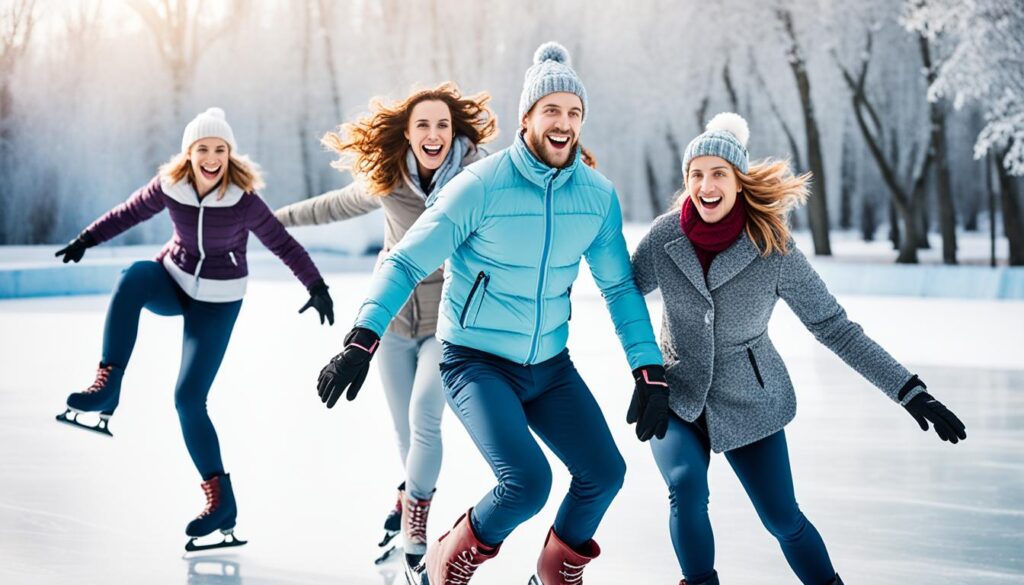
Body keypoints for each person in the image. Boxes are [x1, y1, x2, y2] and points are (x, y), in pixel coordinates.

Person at [314, 42, 669, 585]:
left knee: (604, 472)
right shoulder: (480, 186)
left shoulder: (596, 197)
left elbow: (619, 287)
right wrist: (361, 340)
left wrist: (647, 368)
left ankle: (553, 574)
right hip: (474, 360)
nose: (564, 123)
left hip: (550, 366)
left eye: (574, 113)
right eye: (551, 110)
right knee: (526, 482)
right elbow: (406, 261)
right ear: (527, 117)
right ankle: (441, 566)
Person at [630, 112, 967, 585]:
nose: (706, 185)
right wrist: (646, 370)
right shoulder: (665, 237)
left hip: (750, 402)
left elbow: (835, 327)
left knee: (782, 519)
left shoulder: (772, 246)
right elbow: (621, 291)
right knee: (685, 487)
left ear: (740, 181)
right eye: (696, 174)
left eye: (718, 173)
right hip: (676, 395)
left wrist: (907, 389)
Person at [54, 107, 334, 551]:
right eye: (203, 149)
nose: (211, 157)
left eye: (219, 149)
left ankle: (221, 501)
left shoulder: (243, 199)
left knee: (188, 399)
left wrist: (315, 284)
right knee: (133, 276)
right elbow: (128, 213)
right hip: (174, 281)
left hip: (219, 303)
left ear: (228, 154)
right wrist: (87, 239)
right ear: (189, 154)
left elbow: (281, 243)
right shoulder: (171, 186)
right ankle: (108, 385)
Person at [274, 81, 497, 567]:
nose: (433, 134)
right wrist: (275, 221)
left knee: (424, 419)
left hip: (449, 325)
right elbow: (333, 205)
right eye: (423, 125)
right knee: (404, 433)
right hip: (391, 326)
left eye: (442, 124)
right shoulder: (391, 178)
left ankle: (416, 531)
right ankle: (406, 497)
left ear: (454, 131)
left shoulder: (476, 179)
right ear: (409, 133)